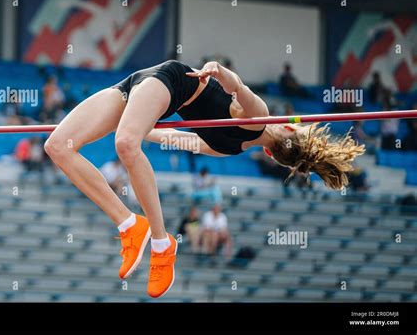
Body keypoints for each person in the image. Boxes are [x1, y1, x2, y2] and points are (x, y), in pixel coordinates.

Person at [44, 60, 365, 298]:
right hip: (156, 81)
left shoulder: (230, 145)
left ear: (276, 147)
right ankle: (138, 229)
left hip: (157, 87)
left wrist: (135, 127)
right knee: (83, 145)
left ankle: (152, 238)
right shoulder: (256, 120)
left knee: (94, 146)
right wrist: (221, 73)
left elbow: (183, 138)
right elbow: (238, 89)